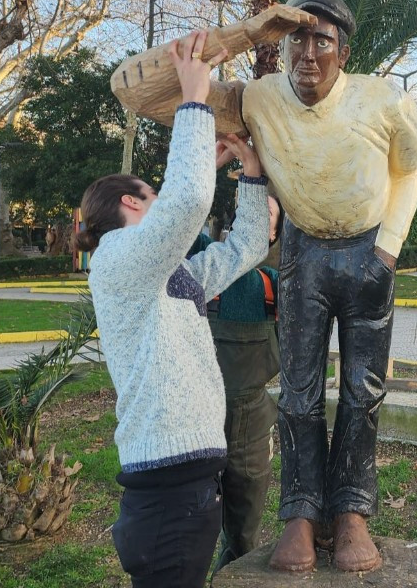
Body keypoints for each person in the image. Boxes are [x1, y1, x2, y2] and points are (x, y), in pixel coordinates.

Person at [206, 0, 417, 573]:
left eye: (321, 40)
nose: (307, 53)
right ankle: (300, 514)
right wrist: (249, 33)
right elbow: (151, 90)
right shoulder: (258, 98)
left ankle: (352, 513)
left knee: (362, 388)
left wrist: (388, 251)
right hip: (303, 254)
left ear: (343, 52)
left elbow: (409, 170)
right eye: (295, 38)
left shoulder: (386, 101)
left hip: (367, 253)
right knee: (298, 390)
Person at [76, 30, 272, 588]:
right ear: (132, 203)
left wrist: (251, 176)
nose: (163, 206)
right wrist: (193, 98)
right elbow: (185, 203)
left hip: (188, 482)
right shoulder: (115, 259)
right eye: (151, 197)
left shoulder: (171, 275)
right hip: (166, 493)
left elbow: (245, 250)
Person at [187, 196, 283, 570]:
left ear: (273, 233)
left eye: (266, 213)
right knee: (189, 529)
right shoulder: (203, 259)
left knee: (242, 536)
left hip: (251, 428)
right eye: (248, 206)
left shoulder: (274, 286)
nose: (254, 212)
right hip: (195, 422)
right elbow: (174, 219)